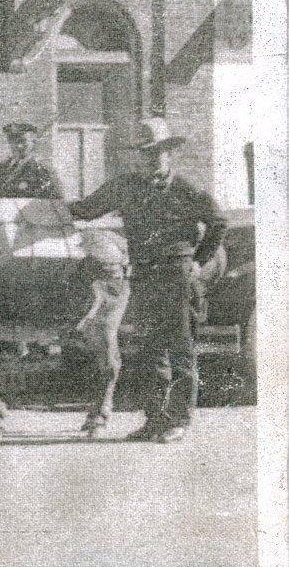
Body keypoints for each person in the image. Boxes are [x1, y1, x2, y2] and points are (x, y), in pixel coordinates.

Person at [67, 117, 226, 444]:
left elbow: (218, 221)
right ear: (135, 155)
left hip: (177, 275)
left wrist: (199, 260)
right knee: (150, 351)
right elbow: (84, 209)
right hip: (143, 275)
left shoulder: (185, 190)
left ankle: (179, 420)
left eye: (158, 152)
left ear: (169, 154)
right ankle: (154, 420)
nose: (152, 158)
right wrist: (44, 203)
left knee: (181, 350)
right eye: (145, 153)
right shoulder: (124, 186)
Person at [0, 121, 65, 201]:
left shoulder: (43, 170)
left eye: (23, 141)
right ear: (9, 142)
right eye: (14, 142)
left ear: (32, 141)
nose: (19, 146)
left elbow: (56, 202)